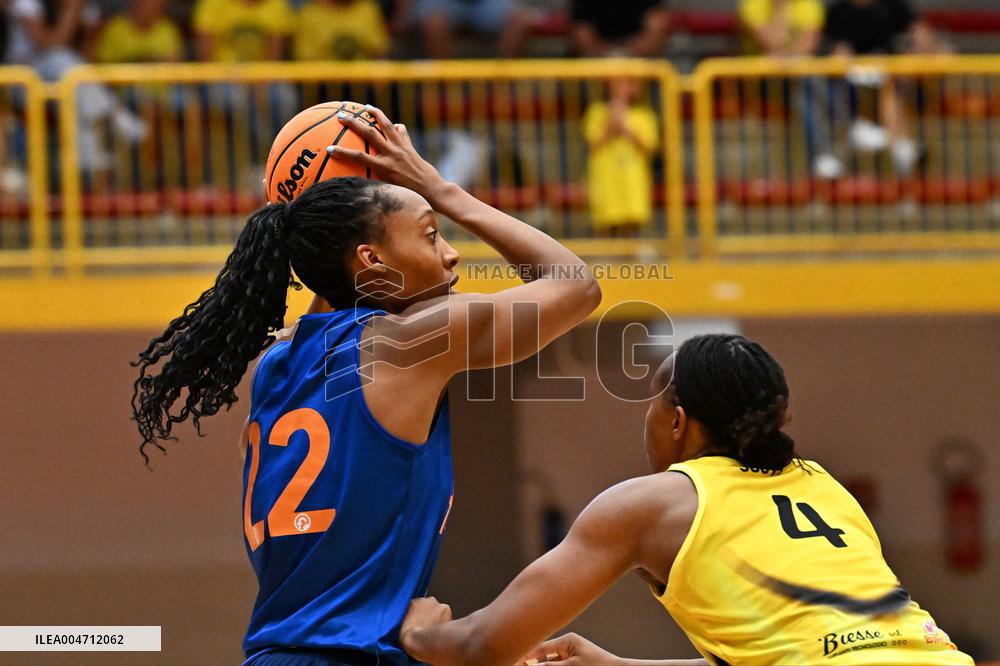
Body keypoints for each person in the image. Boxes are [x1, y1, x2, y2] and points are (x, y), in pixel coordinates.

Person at [130, 105, 601, 666]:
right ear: (372, 259)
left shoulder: (275, 362)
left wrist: (317, 217)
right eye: (431, 235)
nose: (451, 255)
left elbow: (331, 298)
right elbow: (576, 286)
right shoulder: (408, 345)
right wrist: (438, 186)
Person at [398, 334, 974, 666]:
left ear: (677, 422)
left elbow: (484, 648)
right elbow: (791, 652)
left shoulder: (654, 503)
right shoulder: (821, 483)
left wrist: (420, 630)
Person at [4, 0, 146, 172]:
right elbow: (50, 45)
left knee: (75, 89)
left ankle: (88, 160)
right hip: (18, 82)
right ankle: (115, 114)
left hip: (58, 86)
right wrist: (72, 11)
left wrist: (89, 31)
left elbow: (87, 58)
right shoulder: (25, 3)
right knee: (60, 60)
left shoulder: (82, 9)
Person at [824, 0, 949, 176]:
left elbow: (920, 33)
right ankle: (899, 146)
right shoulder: (838, 12)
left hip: (892, 78)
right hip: (849, 83)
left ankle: (896, 145)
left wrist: (924, 46)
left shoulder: (893, 6)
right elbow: (833, 53)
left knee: (938, 57)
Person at [738, 0, 843, 179]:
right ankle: (845, 119)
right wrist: (781, 10)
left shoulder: (808, 4)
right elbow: (772, 42)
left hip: (797, 79)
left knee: (803, 98)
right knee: (806, 81)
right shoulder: (752, 5)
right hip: (760, 82)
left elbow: (808, 45)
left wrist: (788, 60)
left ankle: (823, 156)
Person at [582, 76, 659, 237]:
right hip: (606, 174)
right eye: (620, 83)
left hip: (633, 175)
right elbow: (594, 143)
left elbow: (649, 147)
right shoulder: (597, 111)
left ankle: (629, 255)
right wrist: (613, 119)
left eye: (631, 82)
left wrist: (625, 128)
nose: (626, 87)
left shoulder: (644, 113)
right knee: (605, 216)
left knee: (631, 219)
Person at [410, 0, 532, 59]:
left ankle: (501, 88)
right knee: (434, 24)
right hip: (443, 3)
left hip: (486, 3)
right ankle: (447, 89)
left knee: (519, 20)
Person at [292, 0, 390, 61]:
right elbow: (306, 60)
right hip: (322, 85)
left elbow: (379, 53)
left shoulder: (368, 8)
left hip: (364, 84)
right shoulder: (309, 14)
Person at [91, 0, 183, 64]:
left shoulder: (168, 29)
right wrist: (139, 62)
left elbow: (175, 64)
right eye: (146, 3)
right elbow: (103, 66)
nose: (150, 8)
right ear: (136, 3)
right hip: (118, 91)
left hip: (160, 91)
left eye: (157, 4)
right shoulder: (116, 27)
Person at [570, 0, 670, 58]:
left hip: (641, 68)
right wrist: (612, 56)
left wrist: (625, 55)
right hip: (595, 72)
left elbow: (656, 34)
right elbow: (582, 38)